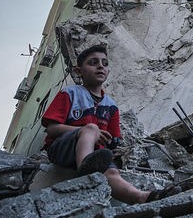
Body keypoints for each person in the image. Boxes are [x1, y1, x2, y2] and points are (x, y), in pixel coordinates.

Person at [41, 45, 155, 203]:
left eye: (105, 63)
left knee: (113, 173)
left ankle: (141, 197)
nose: (101, 66)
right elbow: (52, 128)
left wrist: (106, 141)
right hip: (63, 150)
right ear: (79, 71)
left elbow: (114, 142)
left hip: (96, 156)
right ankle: (85, 171)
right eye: (93, 62)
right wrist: (87, 131)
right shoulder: (69, 93)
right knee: (91, 129)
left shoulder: (112, 106)